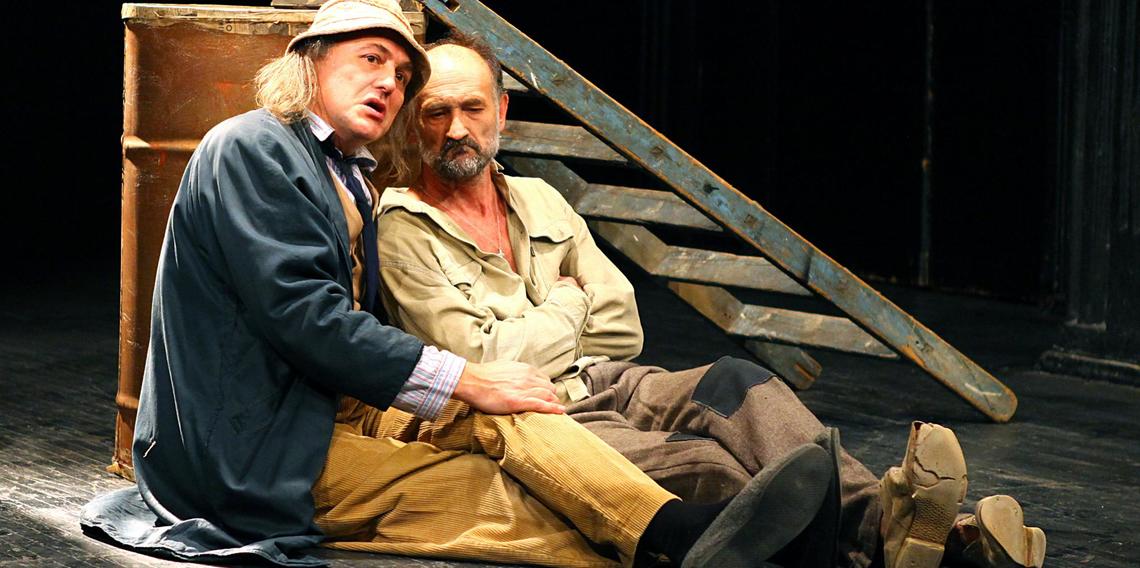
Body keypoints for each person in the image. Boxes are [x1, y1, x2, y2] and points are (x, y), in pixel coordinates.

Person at [80, 2, 847, 567]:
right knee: (495, 488)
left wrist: (478, 386)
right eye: (368, 61)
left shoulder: (344, 175)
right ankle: (680, 538)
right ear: (310, 63)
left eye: (398, 73)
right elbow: (305, 320)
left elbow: (615, 322)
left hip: (325, 413)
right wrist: (471, 376)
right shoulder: (252, 148)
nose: (387, 82)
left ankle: (705, 534)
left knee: (512, 409)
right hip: (250, 449)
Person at [375, 32, 1049, 568]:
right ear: (413, 124)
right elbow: (478, 358)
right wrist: (567, 306)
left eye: (473, 108)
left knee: (739, 384)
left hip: (610, 378)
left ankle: (890, 525)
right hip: (533, 417)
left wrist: (543, 328)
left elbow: (624, 324)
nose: (457, 128)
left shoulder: (540, 199)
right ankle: (942, 546)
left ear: (501, 111)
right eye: (437, 112)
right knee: (710, 464)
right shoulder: (402, 226)